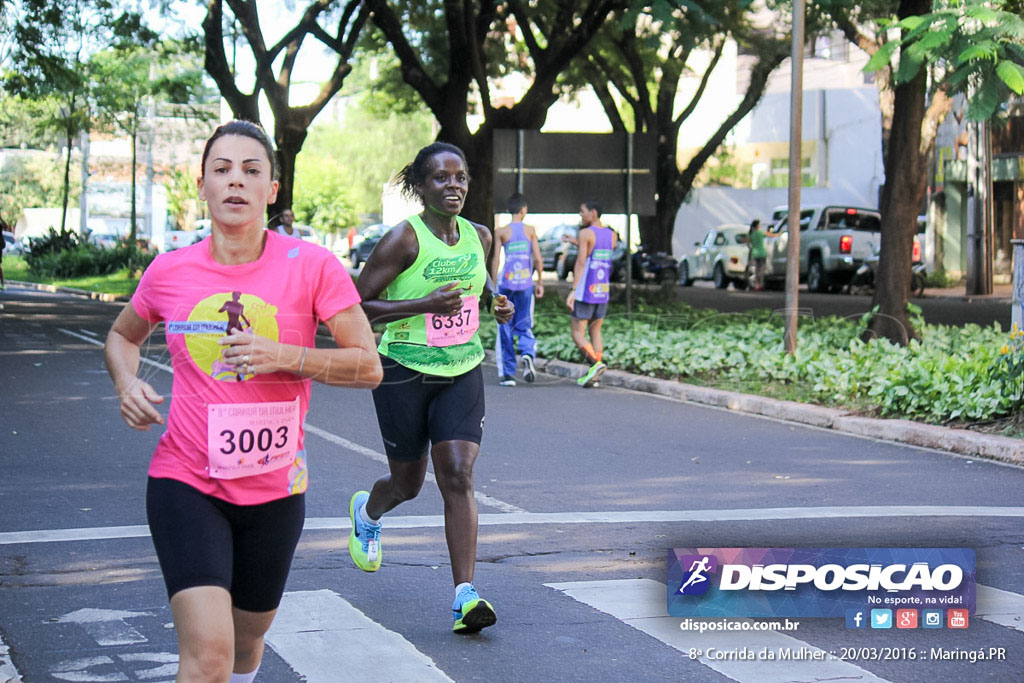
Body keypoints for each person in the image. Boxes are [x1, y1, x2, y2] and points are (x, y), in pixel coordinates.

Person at [104, 120, 382, 682]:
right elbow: (122, 337)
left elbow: (368, 367)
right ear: (202, 185)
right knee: (208, 657)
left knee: (245, 648)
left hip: (276, 489)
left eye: (251, 171)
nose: (236, 182)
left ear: (272, 189)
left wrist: (283, 355)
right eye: (222, 170)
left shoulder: (313, 266)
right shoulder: (169, 270)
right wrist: (127, 384)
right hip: (186, 481)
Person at [348, 141, 514, 634]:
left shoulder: (481, 236)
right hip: (402, 371)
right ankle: (369, 510)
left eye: (460, 177)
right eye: (441, 178)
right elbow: (355, 307)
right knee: (408, 484)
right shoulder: (402, 240)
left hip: (461, 368)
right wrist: (420, 305)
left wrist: (497, 305)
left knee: (459, 474)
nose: (454, 186)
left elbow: (482, 287)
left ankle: (465, 596)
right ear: (420, 187)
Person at [489, 192, 544, 386]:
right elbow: (537, 258)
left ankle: (508, 375)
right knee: (524, 323)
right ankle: (528, 353)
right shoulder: (530, 230)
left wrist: (492, 287)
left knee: (504, 325)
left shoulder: (501, 231)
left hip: (506, 284)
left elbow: (495, 259)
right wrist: (540, 282)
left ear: (508, 211)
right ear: (524, 210)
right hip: (526, 284)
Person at [565, 200, 615, 388]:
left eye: (582, 211)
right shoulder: (612, 235)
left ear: (593, 212)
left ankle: (596, 364)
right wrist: (575, 242)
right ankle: (595, 373)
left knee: (577, 332)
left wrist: (573, 290)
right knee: (596, 330)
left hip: (586, 291)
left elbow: (581, 262)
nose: (581, 215)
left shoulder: (585, 233)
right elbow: (595, 249)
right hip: (602, 290)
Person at [747, 218, 767, 291]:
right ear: (757, 225)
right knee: (761, 270)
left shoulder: (751, 234)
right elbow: (770, 235)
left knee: (754, 270)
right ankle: (760, 284)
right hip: (762, 253)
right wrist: (779, 233)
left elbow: (748, 243)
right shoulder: (761, 232)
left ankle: (755, 285)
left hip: (754, 253)